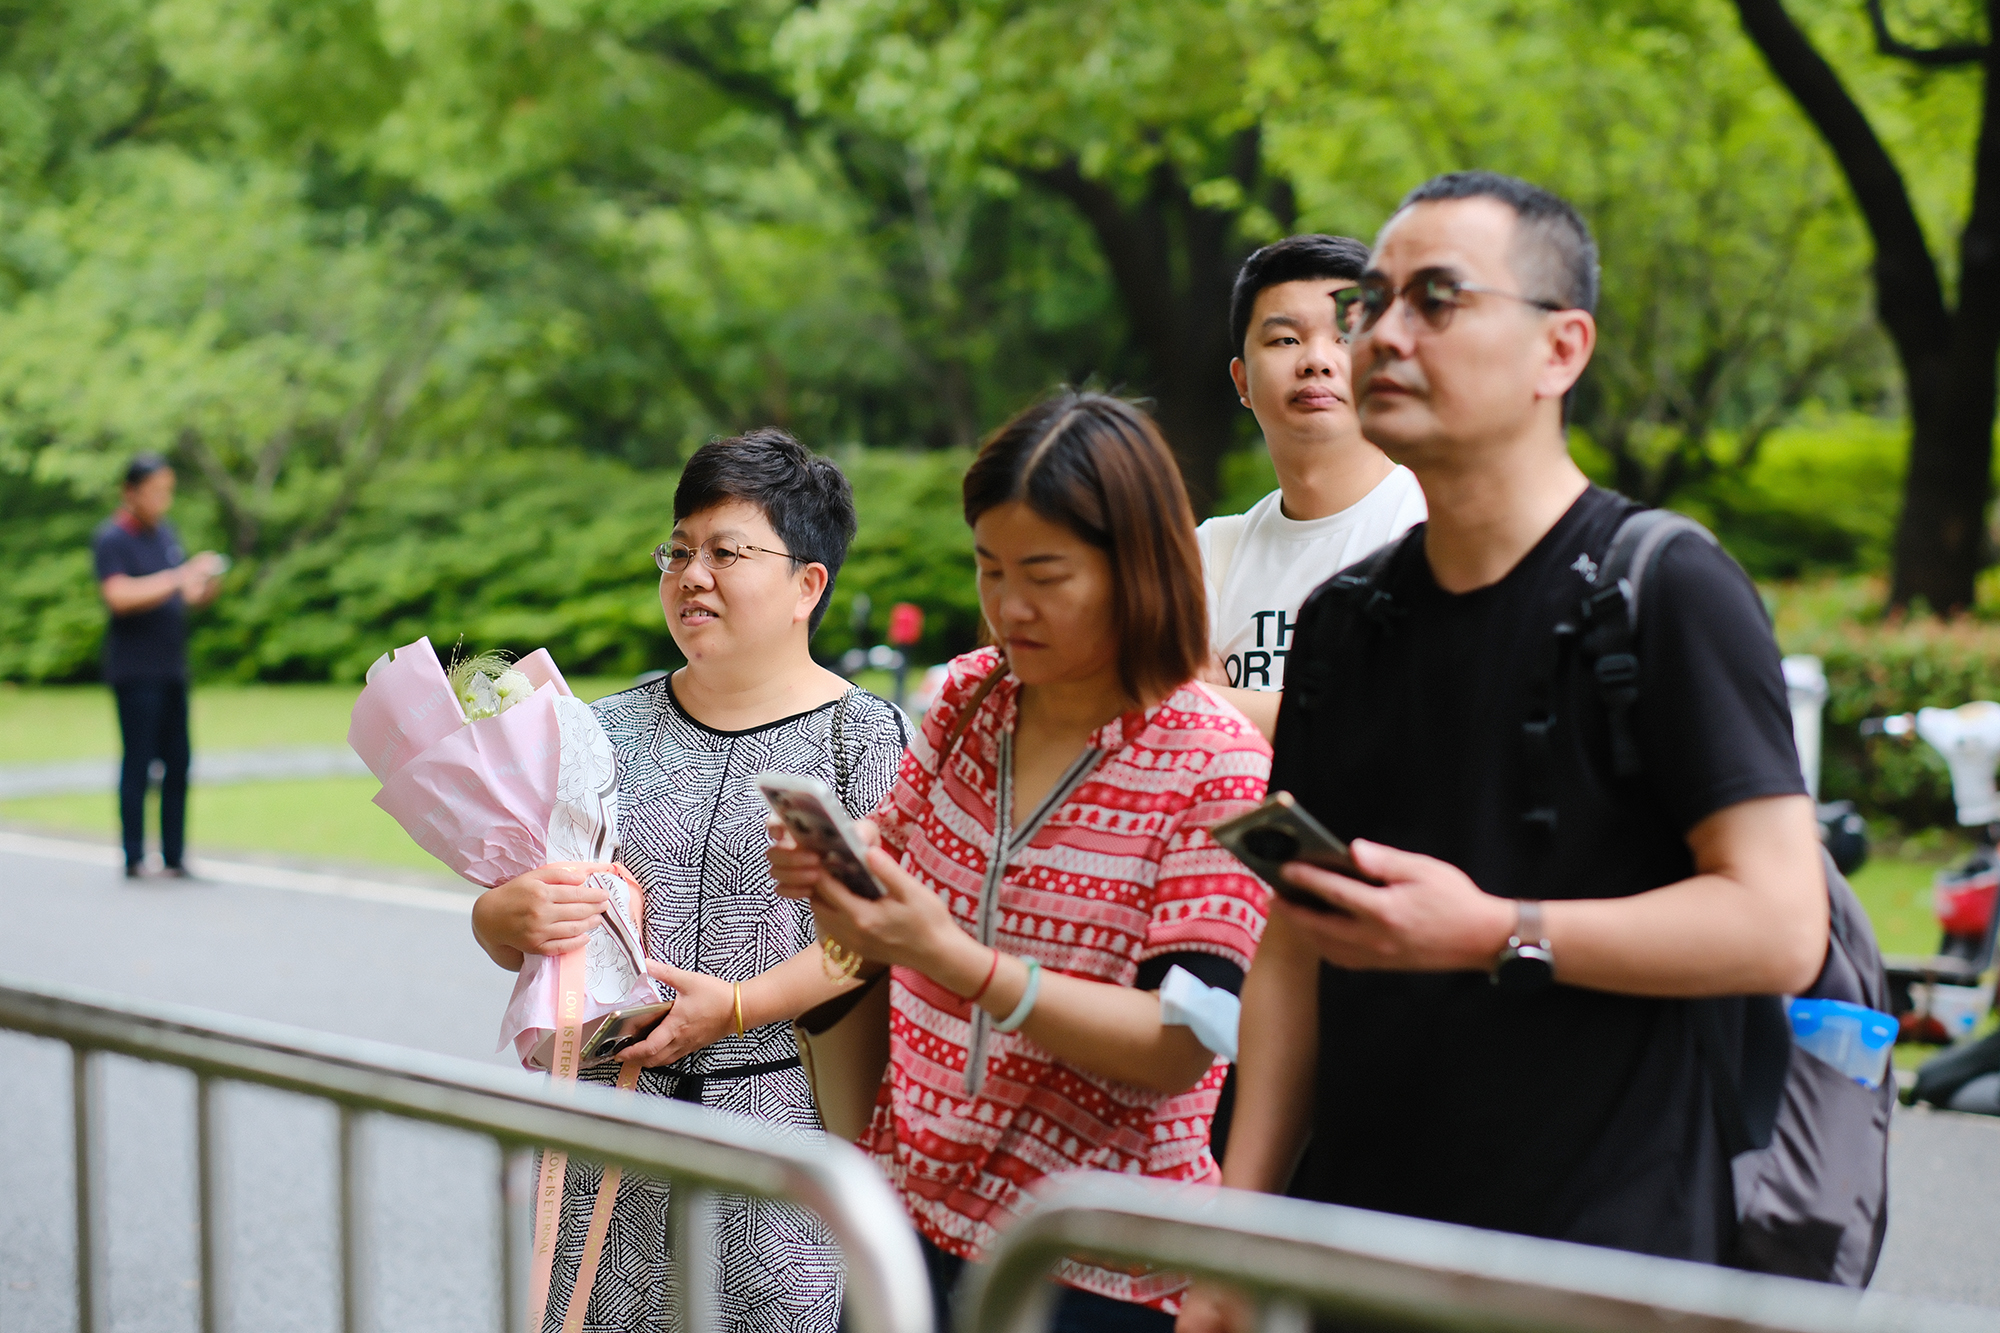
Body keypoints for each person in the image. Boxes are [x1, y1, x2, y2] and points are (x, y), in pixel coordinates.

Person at [1178, 173, 1827, 1332]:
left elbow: (1776, 925)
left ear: (1558, 349)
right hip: (1356, 1243)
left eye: (1435, 299)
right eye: (1375, 302)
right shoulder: (1342, 621)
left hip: (1597, 1257)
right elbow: (1292, 942)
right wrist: (1237, 1234)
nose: (1381, 334)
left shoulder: (1663, 588)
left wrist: (1491, 931)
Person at [769, 391, 1274, 1332]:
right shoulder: (971, 697)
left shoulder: (1216, 761)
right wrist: (839, 873)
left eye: (1045, 573)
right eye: (989, 567)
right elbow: (892, 855)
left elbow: (1180, 1042)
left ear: (1137, 566)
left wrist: (956, 959)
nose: (1008, 606)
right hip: (911, 1214)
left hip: (1091, 1258)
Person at [469, 430, 909, 1333]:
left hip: (783, 1133)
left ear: (808, 584)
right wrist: (498, 916)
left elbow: (882, 936)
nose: (692, 575)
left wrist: (740, 1005)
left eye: (725, 552)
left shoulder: (864, 738)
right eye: (678, 551)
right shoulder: (600, 730)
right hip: (610, 1129)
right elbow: (537, 926)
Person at [1200, 234, 1426, 739]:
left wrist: (1208, 701)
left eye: (1345, 338)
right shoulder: (1207, 558)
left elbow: (1402, 725)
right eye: (1286, 339)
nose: (1317, 361)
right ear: (1241, 381)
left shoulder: (1434, 533)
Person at [92, 454, 225, 879]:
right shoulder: (112, 538)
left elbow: (183, 595)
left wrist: (204, 584)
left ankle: (174, 856)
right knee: (138, 763)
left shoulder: (165, 534)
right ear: (130, 492)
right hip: (135, 671)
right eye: (154, 492)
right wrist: (177, 576)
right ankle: (134, 856)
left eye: (167, 492)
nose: (162, 501)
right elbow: (118, 595)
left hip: (171, 669)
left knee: (178, 762)